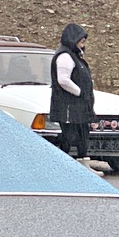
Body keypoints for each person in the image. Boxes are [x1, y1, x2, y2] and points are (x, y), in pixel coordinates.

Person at [51, 23, 94, 161]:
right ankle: (61, 163)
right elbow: (63, 80)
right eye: (81, 42)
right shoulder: (65, 56)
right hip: (69, 106)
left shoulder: (74, 56)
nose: (83, 45)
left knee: (82, 135)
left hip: (79, 107)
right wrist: (80, 92)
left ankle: (83, 162)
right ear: (73, 40)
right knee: (68, 137)